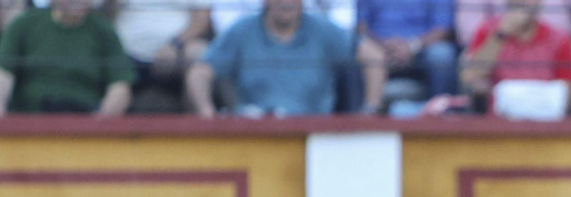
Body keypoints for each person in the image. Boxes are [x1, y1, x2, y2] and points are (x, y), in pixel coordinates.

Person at [189, 0, 385, 117]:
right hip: (253, 136)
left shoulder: (324, 30)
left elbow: (374, 57)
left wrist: (369, 111)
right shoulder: (242, 30)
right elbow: (199, 72)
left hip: (314, 137)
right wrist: (208, 115)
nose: (286, 2)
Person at [0, 0, 135, 116]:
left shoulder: (105, 32)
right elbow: (1, 73)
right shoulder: (24, 24)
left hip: (84, 124)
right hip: (30, 121)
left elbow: (120, 86)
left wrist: (98, 124)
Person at [460, 0, 571, 112]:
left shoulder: (560, 39)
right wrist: (502, 34)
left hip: (546, 123)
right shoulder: (487, 31)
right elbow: (469, 76)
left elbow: (566, 98)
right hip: (498, 124)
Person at [111, 0, 211, 111]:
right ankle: (98, 126)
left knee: (199, 53)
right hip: (125, 52)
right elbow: (106, 13)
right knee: (108, 67)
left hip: (178, 50)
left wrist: (175, 44)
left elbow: (201, 18)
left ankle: (207, 123)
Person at [358, 0, 457, 102]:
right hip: (378, 47)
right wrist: (383, 45)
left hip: (421, 49)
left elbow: (443, 28)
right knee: (362, 50)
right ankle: (365, 112)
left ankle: (439, 110)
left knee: (442, 54)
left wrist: (411, 46)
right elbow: (360, 25)